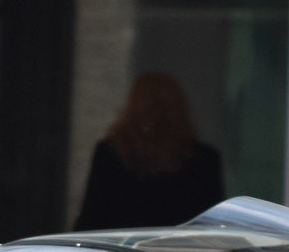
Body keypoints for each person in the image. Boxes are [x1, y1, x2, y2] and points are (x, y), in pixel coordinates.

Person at [73, 72, 225, 230]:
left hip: (122, 249)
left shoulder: (111, 154)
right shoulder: (204, 159)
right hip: (180, 251)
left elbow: (92, 215)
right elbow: (210, 225)